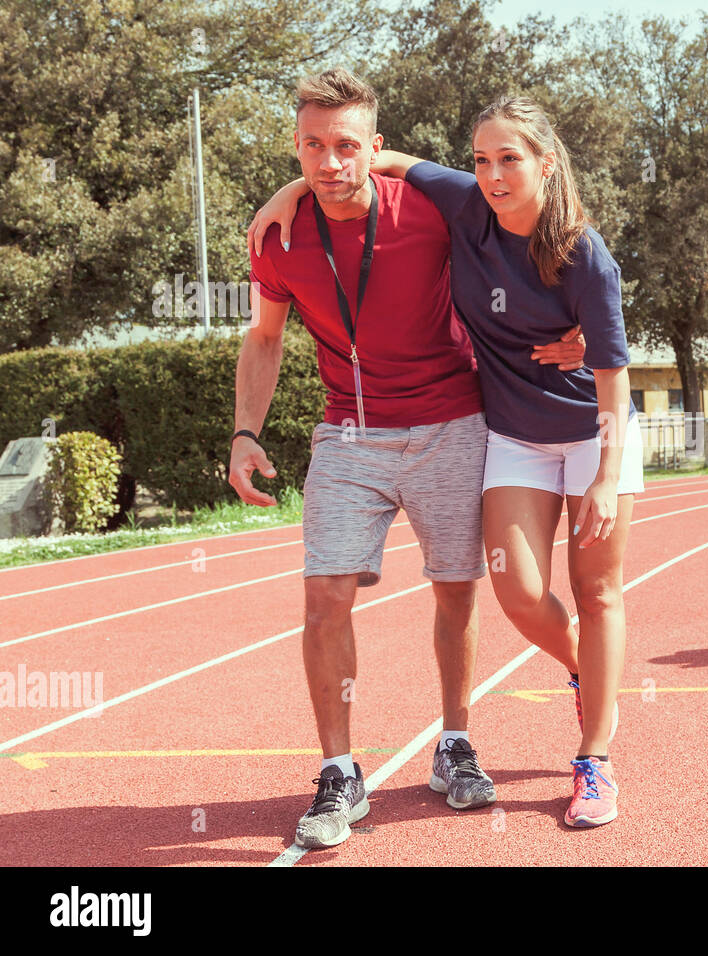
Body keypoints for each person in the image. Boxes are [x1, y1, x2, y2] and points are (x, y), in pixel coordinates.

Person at [252, 94, 640, 828]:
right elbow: (368, 157)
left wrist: (609, 478)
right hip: (515, 434)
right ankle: (590, 668)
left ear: (547, 165)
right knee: (519, 593)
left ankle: (595, 759)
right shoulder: (462, 204)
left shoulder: (584, 250)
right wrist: (291, 187)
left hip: (593, 431)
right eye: (482, 160)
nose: (494, 174)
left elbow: (616, 372)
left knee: (597, 592)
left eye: (511, 160)